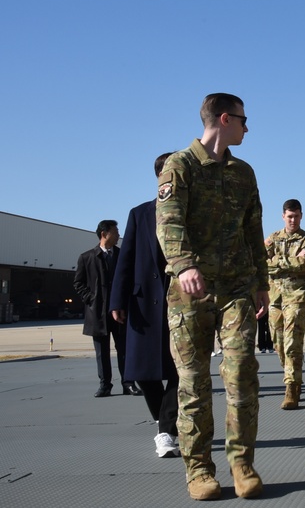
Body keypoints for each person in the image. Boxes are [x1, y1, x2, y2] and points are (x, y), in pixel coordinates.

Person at [156, 92, 269, 501]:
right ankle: (199, 469)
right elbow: (168, 222)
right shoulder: (180, 166)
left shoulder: (244, 173)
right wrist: (185, 265)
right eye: (242, 119)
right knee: (193, 383)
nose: (246, 127)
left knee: (241, 375)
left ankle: (242, 464)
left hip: (236, 288)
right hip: (191, 295)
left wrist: (262, 281)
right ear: (224, 118)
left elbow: (253, 230)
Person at [109, 153, 180, 458]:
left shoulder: (192, 211)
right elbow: (125, 261)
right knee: (143, 372)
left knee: (182, 369)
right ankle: (164, 422)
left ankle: (166, 430)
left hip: (181, 301)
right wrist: (117, 300)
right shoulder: (139, 214)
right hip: (144, 303)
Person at [74, 219, 141, 398]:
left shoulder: (122, 256)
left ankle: (128, 383)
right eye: (115, 231)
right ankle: (105, 385)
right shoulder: (87, 257)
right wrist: (91, 299)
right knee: (101, 353)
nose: (119, 235)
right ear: (104, 234)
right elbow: (78, 283)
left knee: (124, 350)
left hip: (120, 312)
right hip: (98, 313)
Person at [265, 198, 305, 410]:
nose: (293, 220)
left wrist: (277, 262)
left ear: (301, 216)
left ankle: (292, 387)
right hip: (275, 297)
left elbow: (302, 264)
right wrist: (289, 261)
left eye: (296, 216)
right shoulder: (273, 238)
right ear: (283, 216)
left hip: (296, 295)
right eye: (289, 216)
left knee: (292, 342)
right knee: (278, 343)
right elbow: (261, 261)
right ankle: (291, 374)